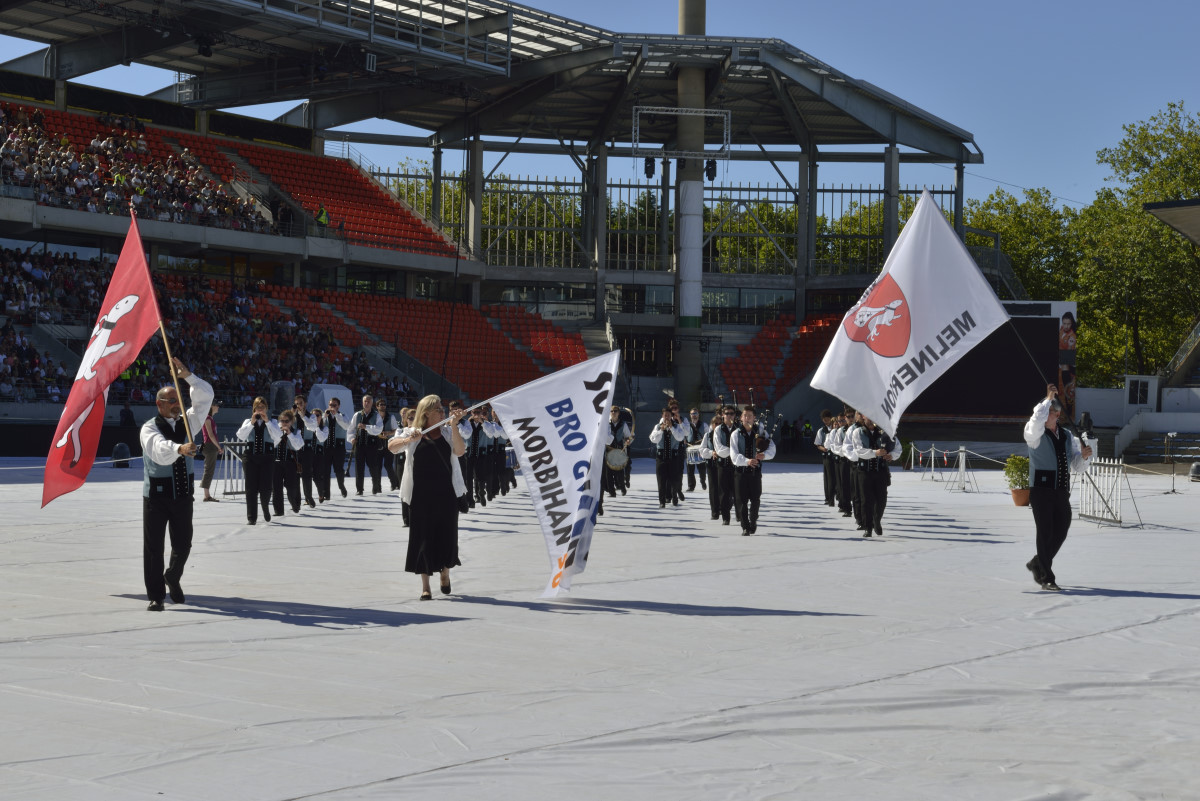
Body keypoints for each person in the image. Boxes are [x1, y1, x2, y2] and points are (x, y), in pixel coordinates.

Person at [139, 357, 213, 611]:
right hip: (156, 498)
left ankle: (172, 575)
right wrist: (179, 448)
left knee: (183, 543)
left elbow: (205, 396)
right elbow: (158, 450)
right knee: (154, 548)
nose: (176, 404)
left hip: (182, 495)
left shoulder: (188, 421)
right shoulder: (149, 428)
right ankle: (156, 596)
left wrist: (188, 377)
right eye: (171, 401)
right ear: (159, 404)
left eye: (178, 400)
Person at [388, 395, 467, 600]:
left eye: (442, 409)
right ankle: (426, 587)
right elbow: (392, 447)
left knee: (447, 536)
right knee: (422, 538)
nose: (443, 412)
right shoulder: (413, 432)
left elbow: (460, 451)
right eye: (438, 409)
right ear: (427, 414)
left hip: (446, 494)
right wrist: (408, 440)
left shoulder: (447, 432)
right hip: (421, 495)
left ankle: (445, 573)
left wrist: (454, 425)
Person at [1023, 383, 1092, 591]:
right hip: (1041, 490)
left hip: (1061, 490)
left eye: (1052, 411)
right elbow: (1036, 419)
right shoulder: (1034, 433)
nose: (1048, 414)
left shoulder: (1067, 435)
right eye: (1047, 411)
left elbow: (1076, 465)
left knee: (1061, 529)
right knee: (1045, 532)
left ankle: (1038, 562)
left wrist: (1084, 457)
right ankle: (1046, 577)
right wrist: (1047, 399)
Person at [851, 415, 901, 537]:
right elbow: (858, 450)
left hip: (881, 471)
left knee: (881, 499)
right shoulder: (858, 432)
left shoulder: (886, 432)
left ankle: (877, 520)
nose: (872, 418)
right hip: (865, 471)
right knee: (866, 500)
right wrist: (875, 453)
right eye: (869, 416)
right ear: (863, 417)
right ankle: (868, 527)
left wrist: (891, 455)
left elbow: (898, 448)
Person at [729, 405, 776, 535]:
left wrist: (764, 455)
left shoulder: (761, 432)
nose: (747, 418)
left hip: (755, 473)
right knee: (741, 501)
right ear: (741, 418)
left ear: (754, 418)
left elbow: (772, 448)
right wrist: (747, 461)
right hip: (740, 473)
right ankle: (745, 527)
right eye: (745, 415)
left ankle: (753, 520)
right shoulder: (735, 434)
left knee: (755, 499)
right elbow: (733, 455)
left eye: (750, 416)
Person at [236, 396, 283, 525]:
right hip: (250, 457)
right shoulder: (248, 421)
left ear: (266, 408)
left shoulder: (273, 421)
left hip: (267, 457)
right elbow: (240, 436)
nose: (260, 409)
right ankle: (251, 518)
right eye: (258, 407)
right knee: (250, 488)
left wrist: (267, 421)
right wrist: (251, 423)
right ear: (254, 409)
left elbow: (278, 436)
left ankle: (265, 507)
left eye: (262, 407)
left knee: (266, 487)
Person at [649, 406, 687, 508]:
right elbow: (653, 439)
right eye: (665, 415)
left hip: (673, 457)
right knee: (661, 480)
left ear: (671, 416)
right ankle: (662, 501)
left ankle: (674, 497)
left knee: (674, 479)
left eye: (668, 415)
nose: (667, 417)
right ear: (662, 416)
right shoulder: (657, 426)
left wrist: (671, 428)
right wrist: (661, 430)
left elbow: (680, 438)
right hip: (661, 457)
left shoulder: (676, 426)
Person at [270, 409, 304, 516]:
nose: (284, 423)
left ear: (291, 421)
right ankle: (278, 510)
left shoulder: (296, 432)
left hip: (290, 463)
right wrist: (279, 434)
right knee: (276, 488)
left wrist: (289, 433)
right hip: (277, 462)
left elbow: (298, 446)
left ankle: (294, 503)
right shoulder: (276, 431)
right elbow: (272, 444)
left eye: (286, 421)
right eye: (282, 421)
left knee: (291, 487)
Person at [348, 394, 382, 495]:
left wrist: (366, 427)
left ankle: (375, 486)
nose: (366, 403)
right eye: (365, 401)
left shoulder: (376, 415)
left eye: (368, 401)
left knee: (373, 466)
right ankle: (359, 489)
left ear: (372, 403)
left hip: (371, 444)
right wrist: (352, 438)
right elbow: (351, 429)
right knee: (359, 467)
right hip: (359, 444)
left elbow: (379, 429)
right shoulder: (357, 415)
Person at [712, 405, 739, 526]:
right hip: (723, 466)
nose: (729, 416)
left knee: (738, 492)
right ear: (723, 415)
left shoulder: (739, 428)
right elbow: (719, 449)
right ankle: (726, 517)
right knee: (723, 493)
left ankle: (739, 515)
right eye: (727, 413)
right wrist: (735, 451)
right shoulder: (718, 429)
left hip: (736, 466)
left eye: (731, 413)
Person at [322, 396, 351, 499]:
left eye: (334, 405)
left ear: (338, 406)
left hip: (339, 447)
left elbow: (346, 426)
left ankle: (341, 486)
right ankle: (326, 494)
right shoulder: (325, 416)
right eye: (331, 405)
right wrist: (324, 416)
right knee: (325, 470)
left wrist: (337, 415)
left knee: (338, 470)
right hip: (327, 446)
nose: (332, 407)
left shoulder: (343, 415)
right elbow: (319, 425)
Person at [198, 403, 223, 502]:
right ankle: (206, 495)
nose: (218, 407)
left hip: (210, 446)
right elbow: (210, 435)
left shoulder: (210, 418)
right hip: (209, 446)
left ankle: (207, 494)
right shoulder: (207, 418)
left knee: (209, 470)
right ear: (211, 406)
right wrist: (219, 447)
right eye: (217, 405)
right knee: (209, 470)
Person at [813, 409, 836, 507]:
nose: (826, 421)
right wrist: (823, 449)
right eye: (824, 420)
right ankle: (828, 497)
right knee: (828, 478)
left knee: (837, 477)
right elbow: (818, 444)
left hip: (836, 455)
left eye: (827, 419)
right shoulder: (821, 430)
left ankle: (837, 495)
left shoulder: (836, 428)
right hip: (827, 456)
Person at [685, 408, 709, 492]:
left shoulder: (704, 425)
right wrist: (684, 440)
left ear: (698, 415)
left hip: (700, 448)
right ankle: (691, 486)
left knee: (702, 468)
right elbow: (683, 434)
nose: (694, 415)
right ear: (690, 415)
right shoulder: (687, 425)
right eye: (692, 414)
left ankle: (703, 481)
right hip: (690, 448)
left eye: (695, 413)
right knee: (690, 469)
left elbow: (708, 435)